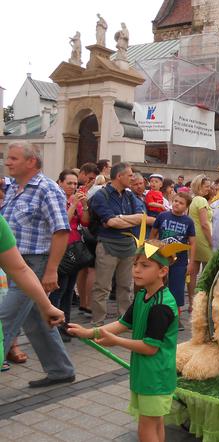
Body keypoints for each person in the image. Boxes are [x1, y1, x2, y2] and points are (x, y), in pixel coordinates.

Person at [68, 239, 180, 442]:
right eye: (135, 264)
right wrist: (89, 333)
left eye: (145, 265)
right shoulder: (142, 296)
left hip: (156, 376)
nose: (136, 270)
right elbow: (123, 324)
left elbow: (149, 348)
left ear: (162, 271)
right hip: (145, 373)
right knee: (154, 423)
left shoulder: (162, 305)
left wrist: (116, 341)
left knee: (146, 428)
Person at [0, 141, 75, 387]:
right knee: (37, 318)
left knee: (5, 320)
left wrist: (51, 269)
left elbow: (61, 230)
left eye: (13, 158)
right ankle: (61, 370)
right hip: (14, 263)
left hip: (33, 264)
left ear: (31, 161)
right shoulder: (13, 187)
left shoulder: (47, 189)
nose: (7, 162)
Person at [88, 162, 146, 326]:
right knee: (102, 287)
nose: (133, 178)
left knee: (126, 286)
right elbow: (111, 222)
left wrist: (118, 218)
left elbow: (141, 216)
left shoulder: (129, 195)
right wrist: (121, 220)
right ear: (119, 176)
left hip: (128, 245)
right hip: (108, 246)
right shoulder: (102, 195)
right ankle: (98, 321)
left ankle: (125, 320)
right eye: (129, 175)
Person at [49, 170, 89, 342]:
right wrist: (72, 205)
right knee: (59, 288)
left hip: (74, 249)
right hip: (60, 249)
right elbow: (62, 223)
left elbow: (85, 222)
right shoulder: (56, 200)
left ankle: (66, 325)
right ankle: (54, 327)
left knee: (69, 289)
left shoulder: (76, 200)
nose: (73, 187)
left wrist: (85, 205)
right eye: (69, 183)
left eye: (75, 184)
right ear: (60, 182)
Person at [150, 192, 196, 330]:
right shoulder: (163, 216)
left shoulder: (188, 221)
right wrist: (150, 253)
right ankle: (156, 315)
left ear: (186, 207)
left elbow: (193, 243)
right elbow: (153, 235)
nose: (177, 204)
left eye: (181, 203)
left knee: (177, 289)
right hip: (161, 257)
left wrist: (191, 262)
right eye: (175, 201)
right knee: (159, 285)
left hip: (180, 260)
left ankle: (175, 317)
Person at [188, 175, 213, 311]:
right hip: (203, 237)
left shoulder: (193, 200)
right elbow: (204, 223)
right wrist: (211, 241)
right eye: (206, 186)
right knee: (208, 269)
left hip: (194, 237)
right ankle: (202, 300)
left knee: (193, 271)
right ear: (199, 186)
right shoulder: (201, 200)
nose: (208, 189)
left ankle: (192, 302)